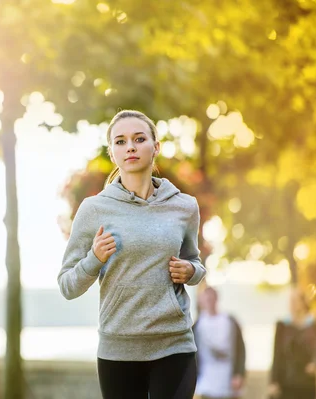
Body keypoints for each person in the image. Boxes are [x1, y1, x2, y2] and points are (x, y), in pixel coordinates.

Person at [57, 110, 207, 399]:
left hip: (174, 344)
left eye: (139, 139)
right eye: (121, 141)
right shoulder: (94, 209)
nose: (131, 147)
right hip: (118, 350)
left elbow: (195, 263)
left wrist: (191, 272)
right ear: (112, 153)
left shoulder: (185, 207)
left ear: (155, 147)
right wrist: (94, 259)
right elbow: (67, 286)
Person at [268, 288, 316, 399]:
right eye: (290, 301)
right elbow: (276, 354)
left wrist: (315, 363)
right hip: (286, 380)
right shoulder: (282, 325)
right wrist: (273, 381)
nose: (292, 304)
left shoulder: (312, 325)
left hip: (307, 381)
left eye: (295, 301)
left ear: (303, 303)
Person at [193, 286, 246, 399]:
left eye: (212, 298)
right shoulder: (198, 326)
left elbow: (241, 349)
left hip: (228, 380)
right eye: (207, 299)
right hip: (207, 381)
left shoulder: (230, 321)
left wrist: (239, 373)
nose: (209, 302)